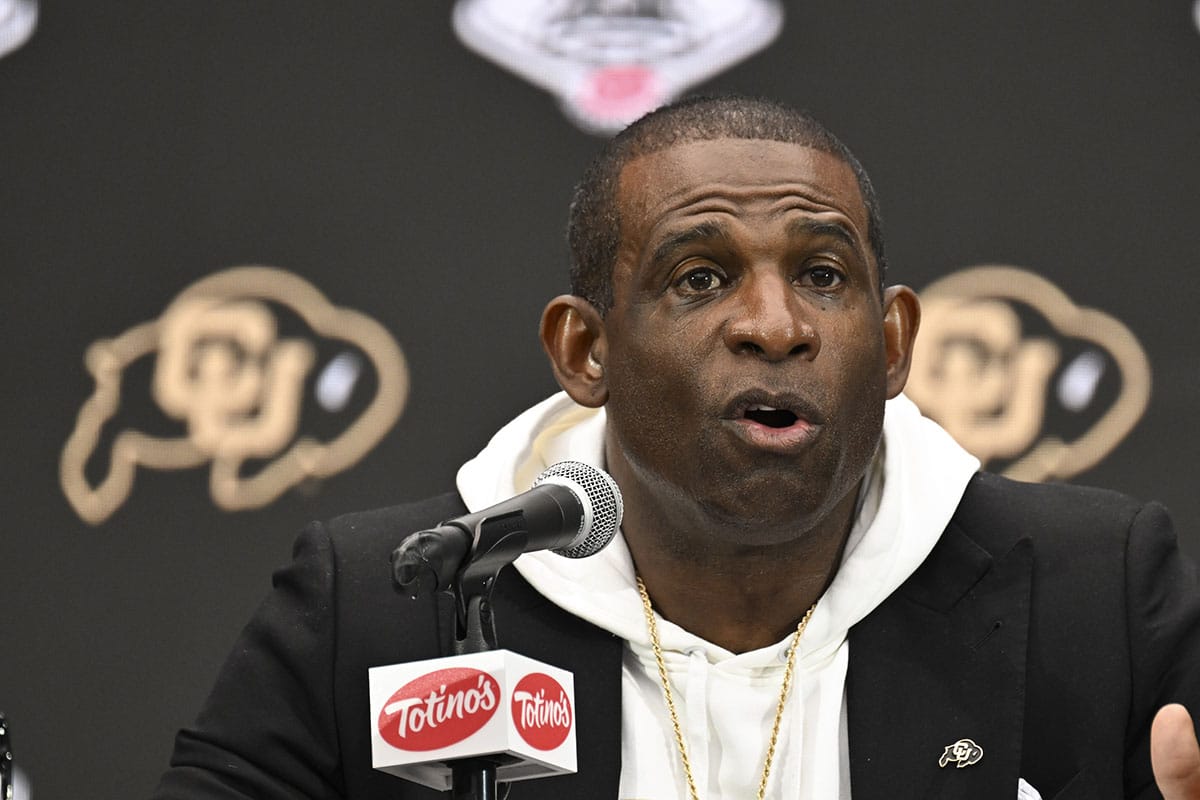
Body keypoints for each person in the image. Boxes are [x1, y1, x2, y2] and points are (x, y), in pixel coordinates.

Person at [152, 95, 1200, 799]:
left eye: (825, 275)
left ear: (892, 345)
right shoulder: (396, 598)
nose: (775, 324)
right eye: (700, 277)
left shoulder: (1090, 593)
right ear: (586, 348)